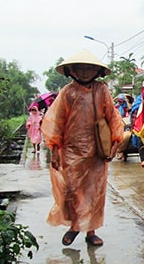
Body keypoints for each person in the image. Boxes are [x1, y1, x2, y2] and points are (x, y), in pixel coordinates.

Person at [41, 49, 124, 247]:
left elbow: (112, 116)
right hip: (71, 149)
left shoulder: (101, 90)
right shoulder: (67, 92)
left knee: (93, 191)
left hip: (96, 150)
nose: (85, 72)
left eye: (89, 68)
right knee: (71, 190)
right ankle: (74, 226)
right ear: (72, 71)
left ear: (97, 71)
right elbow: (56, 122)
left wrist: (115, 142)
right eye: (81, 68)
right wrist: (54, 150)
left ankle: (90, 231)